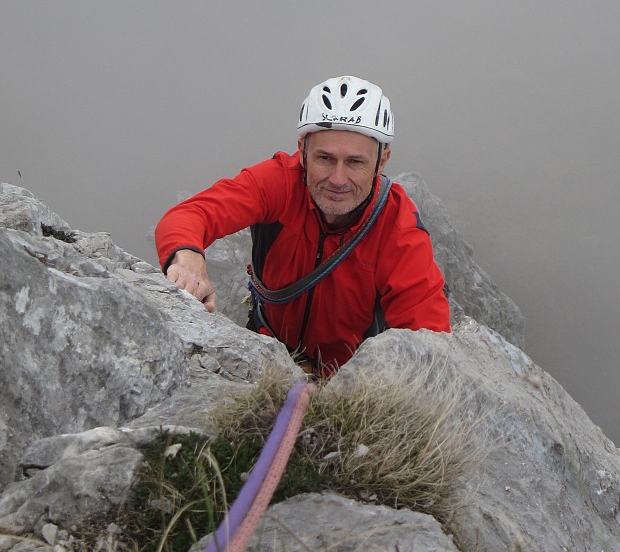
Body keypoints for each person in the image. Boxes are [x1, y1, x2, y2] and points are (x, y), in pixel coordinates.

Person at [155, 75, 450, 376]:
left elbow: (428, 344)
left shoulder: (397, 230)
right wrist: (188, 258)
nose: (337, 178)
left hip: (347, 381)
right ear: (303, 151)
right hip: (265, 348)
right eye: (325, 158)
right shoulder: (280, 183)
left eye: (355, 162)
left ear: (381, 161)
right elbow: (190, 215)